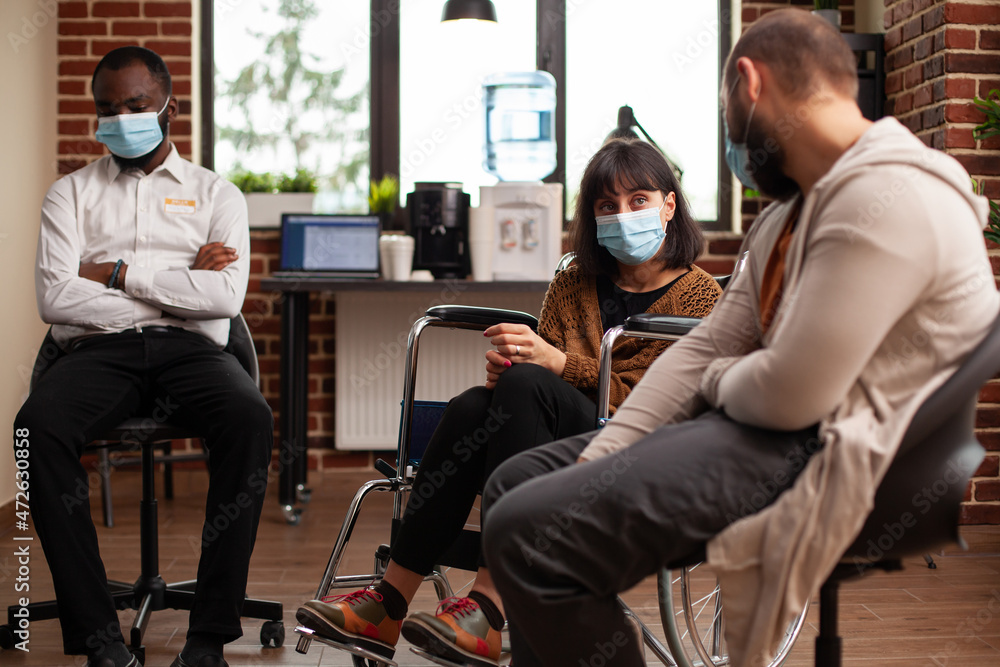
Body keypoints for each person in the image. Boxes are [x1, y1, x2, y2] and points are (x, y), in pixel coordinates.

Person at [479, 10, 1000, 667]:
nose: (735, 143)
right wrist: (609, 448)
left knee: (529, 534)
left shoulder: (891, 194)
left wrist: (727, 376)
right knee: (513, 483)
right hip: (758, 429)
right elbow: (705, 346)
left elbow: (787, 393)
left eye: (729, 117)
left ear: (749, 86)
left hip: (834, 452)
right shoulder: (788, 213)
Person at [295, 138, 723, 667]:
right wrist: (518, 368)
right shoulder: (572, 281)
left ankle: (490, 605)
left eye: (639, 200)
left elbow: (663, 400)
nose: (623, 215)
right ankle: (389, 601)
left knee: (523, 389)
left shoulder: (702, 296)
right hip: (561, 435)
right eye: (607, 206)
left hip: (639, 442)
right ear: (592, 217)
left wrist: (556, 367)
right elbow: (544, 381)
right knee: (476, 404)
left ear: (669, 205)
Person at [13, 47, 272, 667]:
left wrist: (115, 272)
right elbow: (55, 298)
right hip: (98, 353)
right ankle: (101, 640)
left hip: (193, 355)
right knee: (34, 428)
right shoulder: (68, 195)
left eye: (134, 106)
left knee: (250, 419)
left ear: (168, 110)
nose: (119, 119)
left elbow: (224, 297)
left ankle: (208, 636)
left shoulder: (219, 195)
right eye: (106, 109)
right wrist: (178, 287)